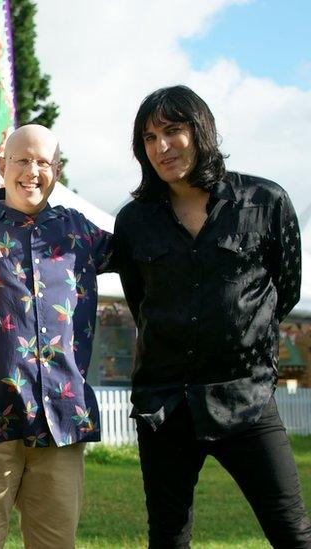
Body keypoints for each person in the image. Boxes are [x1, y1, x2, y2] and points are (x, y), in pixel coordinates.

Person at [113, 85, 311, 547]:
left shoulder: (266, 202)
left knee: (293, 533)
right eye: (148, 137)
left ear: (202, 130)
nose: (161, 146)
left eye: (173, 130)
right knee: (167, 536)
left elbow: (285, 291)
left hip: (245, 397)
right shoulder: (134, 221)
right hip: (164, 404)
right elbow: (140, 302)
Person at [0, 125, 111, 549]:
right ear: (1, 165)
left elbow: (150, 252)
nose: (33, 171)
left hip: (61, 419)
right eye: (23, 160)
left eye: (44, 162)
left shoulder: (79, 231)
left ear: (57, 171)